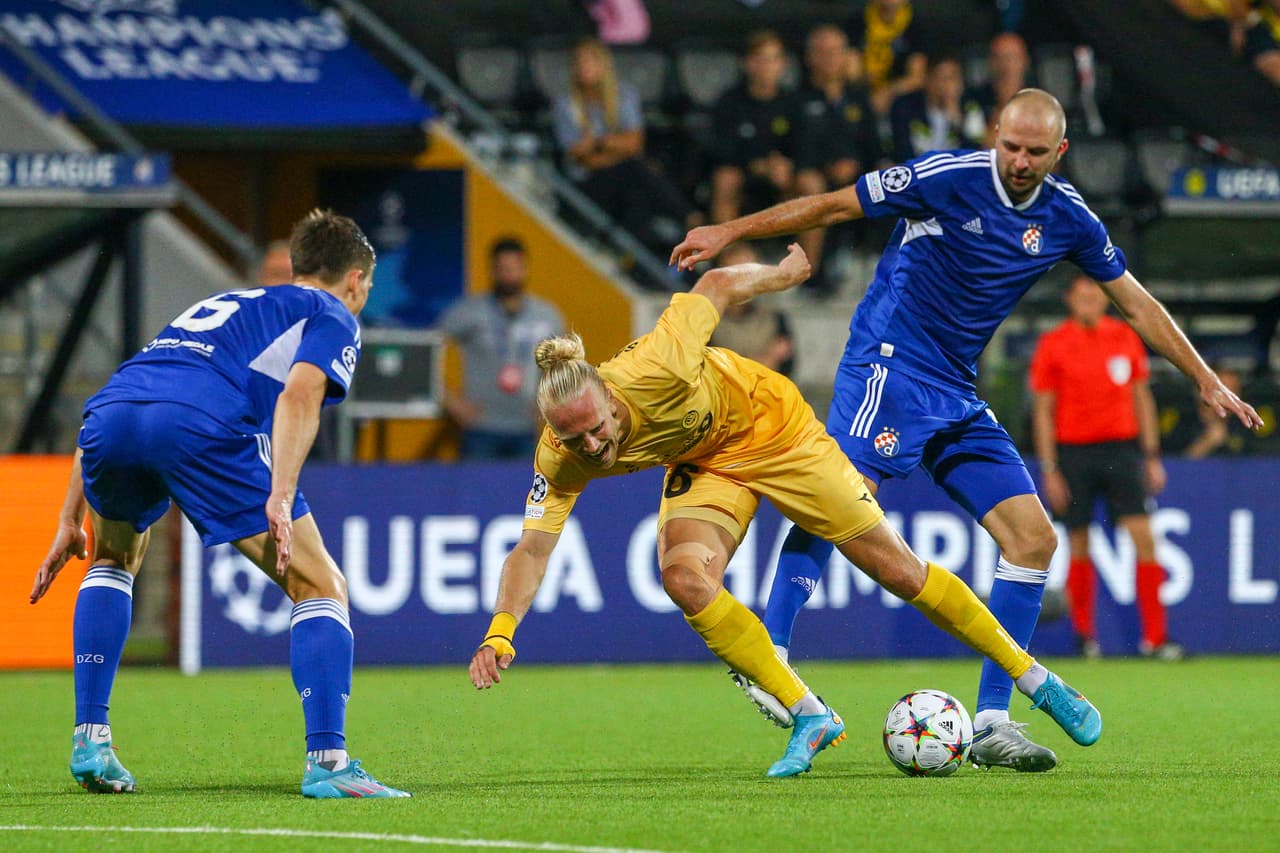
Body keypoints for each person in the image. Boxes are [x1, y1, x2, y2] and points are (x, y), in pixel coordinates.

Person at [671, 88, 1261, 772]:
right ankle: (768, 651)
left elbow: (1136, 301)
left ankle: (990, 722)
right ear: (995, 134)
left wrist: (1203, 377)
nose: (1017, 160)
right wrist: (728, 232)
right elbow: (834, 204)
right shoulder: (946, 177)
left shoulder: (1067, 216)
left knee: (1033, 537)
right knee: (843, 494)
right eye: (1010, 145)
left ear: (1059, 153)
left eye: (1035, 152)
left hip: (954, 386)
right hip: (890, 361)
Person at [468, 243, 1103, 779]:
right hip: (707, 463)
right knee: (685, 578)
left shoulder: (658, 362)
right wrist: (502, 631)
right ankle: (809, 714)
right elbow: (532, 549)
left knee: (899, 572)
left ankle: (1035, 680)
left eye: (594, 430)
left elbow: (715, 282)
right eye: (573, 439)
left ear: (608, 395)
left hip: (775, 429)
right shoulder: (560, 453)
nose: (591, 447)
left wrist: (784, 273)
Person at [29, 210, 409, 799]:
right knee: (321, 586)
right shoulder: (330, 313)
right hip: (197, 425)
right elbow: (301, 394)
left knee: (113, 558)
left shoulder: (229, 304)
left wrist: (65, 518)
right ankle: (330, 762)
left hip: (109, 418)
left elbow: (132, 392)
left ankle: (91, 740)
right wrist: (279, 493)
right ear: (355, 280)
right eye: (365, 289)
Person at [1029, 275, 1184, 661]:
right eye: (1082, 295)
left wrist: (1151, 455)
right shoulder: (1053, 344)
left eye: (1096, 295)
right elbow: (1043, 411)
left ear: (1104, 299)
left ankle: (1156, 638)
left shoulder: (1124, 337)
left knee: (1145, 540)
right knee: (1079, 542)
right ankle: (1085, 638)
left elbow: (1141, 398)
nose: (1089, 301)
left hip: (1122, 450)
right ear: (1070, 300)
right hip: (1073, 453)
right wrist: (1049, 467)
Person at [552, 36, 697, 258]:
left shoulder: (623, 94)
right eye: (579, 63)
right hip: (587, 184)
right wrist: (615, 147)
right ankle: (687, 216)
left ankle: (639, 256)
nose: (584, 68)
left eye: (590, 62)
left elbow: (635, 143)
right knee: (635, 170)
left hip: (624, 179)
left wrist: (598, 143)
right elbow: (581, 157)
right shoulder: (565, 104)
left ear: (603, 66)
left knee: (635, 193)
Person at [438, 237, 566, 460]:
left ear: (525, 269)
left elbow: (565, 366)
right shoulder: (469, 311)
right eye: (503, 269)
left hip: (526, 429)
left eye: (514, 268)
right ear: (492, 271)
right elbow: (424, 350)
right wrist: (450, 401)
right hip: (480, 429)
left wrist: (551, 405)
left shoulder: (547, 315)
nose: (509, 275)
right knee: (477, 494)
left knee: (523, 494)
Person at [793, 23, 881, 295]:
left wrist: (859, 166)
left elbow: (874, 148)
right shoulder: (796, 100)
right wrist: (828, 167)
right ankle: (809, 275)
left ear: (847, 57)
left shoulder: (859, 101)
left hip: (858, 181)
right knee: (812, 185)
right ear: (809, 58)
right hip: (811, 180)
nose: (830, 58)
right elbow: (793, 149)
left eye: (836, 51)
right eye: (823, 52)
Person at [707, 30, 801, 226]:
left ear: (783, 64)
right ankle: (728, 251)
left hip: (782, 175)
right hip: (744, 173)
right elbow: (720, 149)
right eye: (760, 59)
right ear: (746, 63)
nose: (767, 67)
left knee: (809, 182)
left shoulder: (793, 103)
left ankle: (809, 255)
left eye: (774, 59)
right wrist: (756, 164)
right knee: (725, 179)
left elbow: (806, 144)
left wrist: (789, 165)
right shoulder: (729, 102)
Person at [707, 242, 795, 376]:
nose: (747, 282)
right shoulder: (707, 320)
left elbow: (786, 365)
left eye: (752, 273)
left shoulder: (773, 317)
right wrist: (765, 360)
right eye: (738, 273)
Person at [889, 53, 987, 162]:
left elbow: (976, 152)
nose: (947, 85)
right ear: (928, 80)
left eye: (952, 78)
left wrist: (956, 121)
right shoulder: (905, 107)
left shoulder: (971, 108)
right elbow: (902, 151)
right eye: (941, 78)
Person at [851, 0, 929, 118]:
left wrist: (887, 92)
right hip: (863, 90)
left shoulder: (915, 23)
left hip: (899, 96)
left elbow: (917, 78)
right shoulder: (859, 18)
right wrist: (864, 82)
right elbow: (850, 68)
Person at [966, 32, 1033, 143]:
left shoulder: (1040, 100)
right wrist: (1003, 105)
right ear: (991, 63)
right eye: (1001, 58)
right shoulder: (974, 99)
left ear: (1025, 61)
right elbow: (977, 148)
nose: (1007, 65)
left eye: (1014, 57)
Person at [1184, 364, 1252, 457]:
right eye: (1223, 390)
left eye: (1234, 390)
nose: (1230, 397)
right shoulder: (1184, 421)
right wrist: (1206, 443)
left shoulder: (1245, 425)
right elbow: (1168, 466)